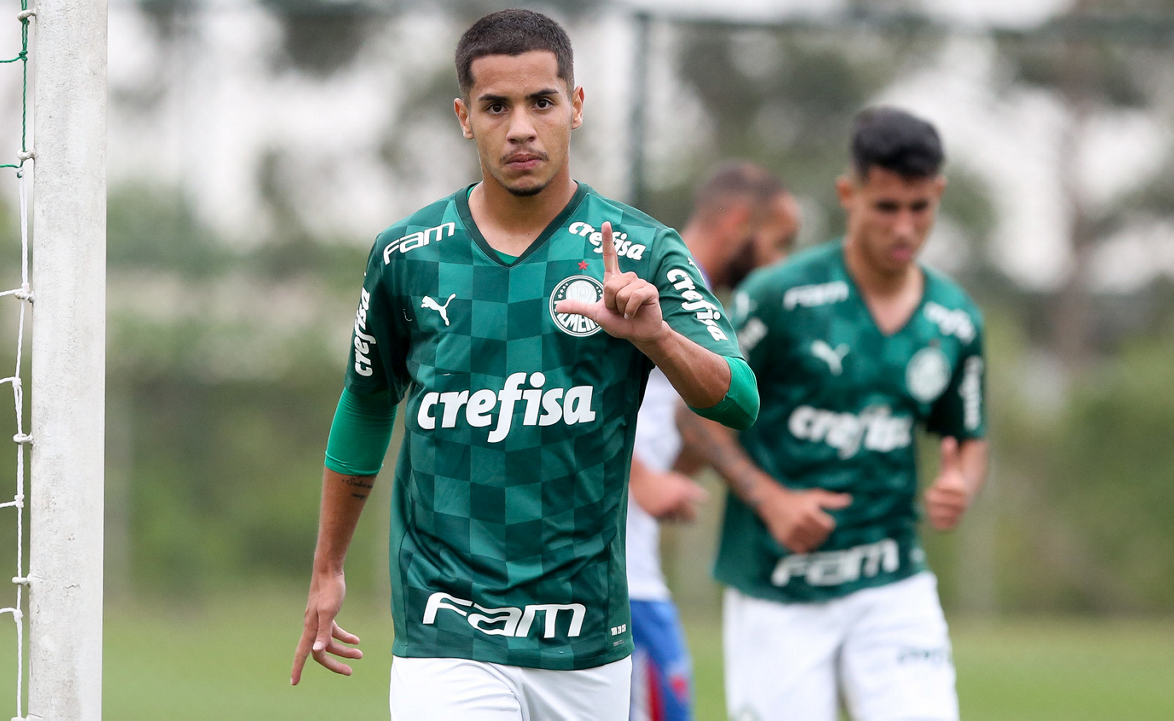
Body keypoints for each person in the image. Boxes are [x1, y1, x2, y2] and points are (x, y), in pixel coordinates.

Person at [289, 10, 759, 720]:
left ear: (575, 105)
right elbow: (366, 400)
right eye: (495, 106)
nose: (520, 128)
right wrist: (328, 567)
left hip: (585, 640)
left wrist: (657, 339)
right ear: (464, 117)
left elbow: (739, 398)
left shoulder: (644, 250)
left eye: (541, 102)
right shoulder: (408, 255)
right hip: (446, 630)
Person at [690, 107, 988, 721]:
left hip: (891, 582)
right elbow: (697, 416)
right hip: (777, 584)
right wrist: (772, 500)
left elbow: (967, 435)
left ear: (938, 194)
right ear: (849, 195)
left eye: (919, 208)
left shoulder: (955, 320)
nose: (904, 227)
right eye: (886, 207)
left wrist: (961, 482)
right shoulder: (780, 297)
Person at [626, 162, 798, 721]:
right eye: (779, 243)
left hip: (632, 563)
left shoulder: (710, 312)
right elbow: (565, 391)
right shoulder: (654, 287)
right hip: (613, 575)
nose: (782, 264)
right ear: (739, 223)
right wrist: (640, 479)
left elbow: (678, 419)